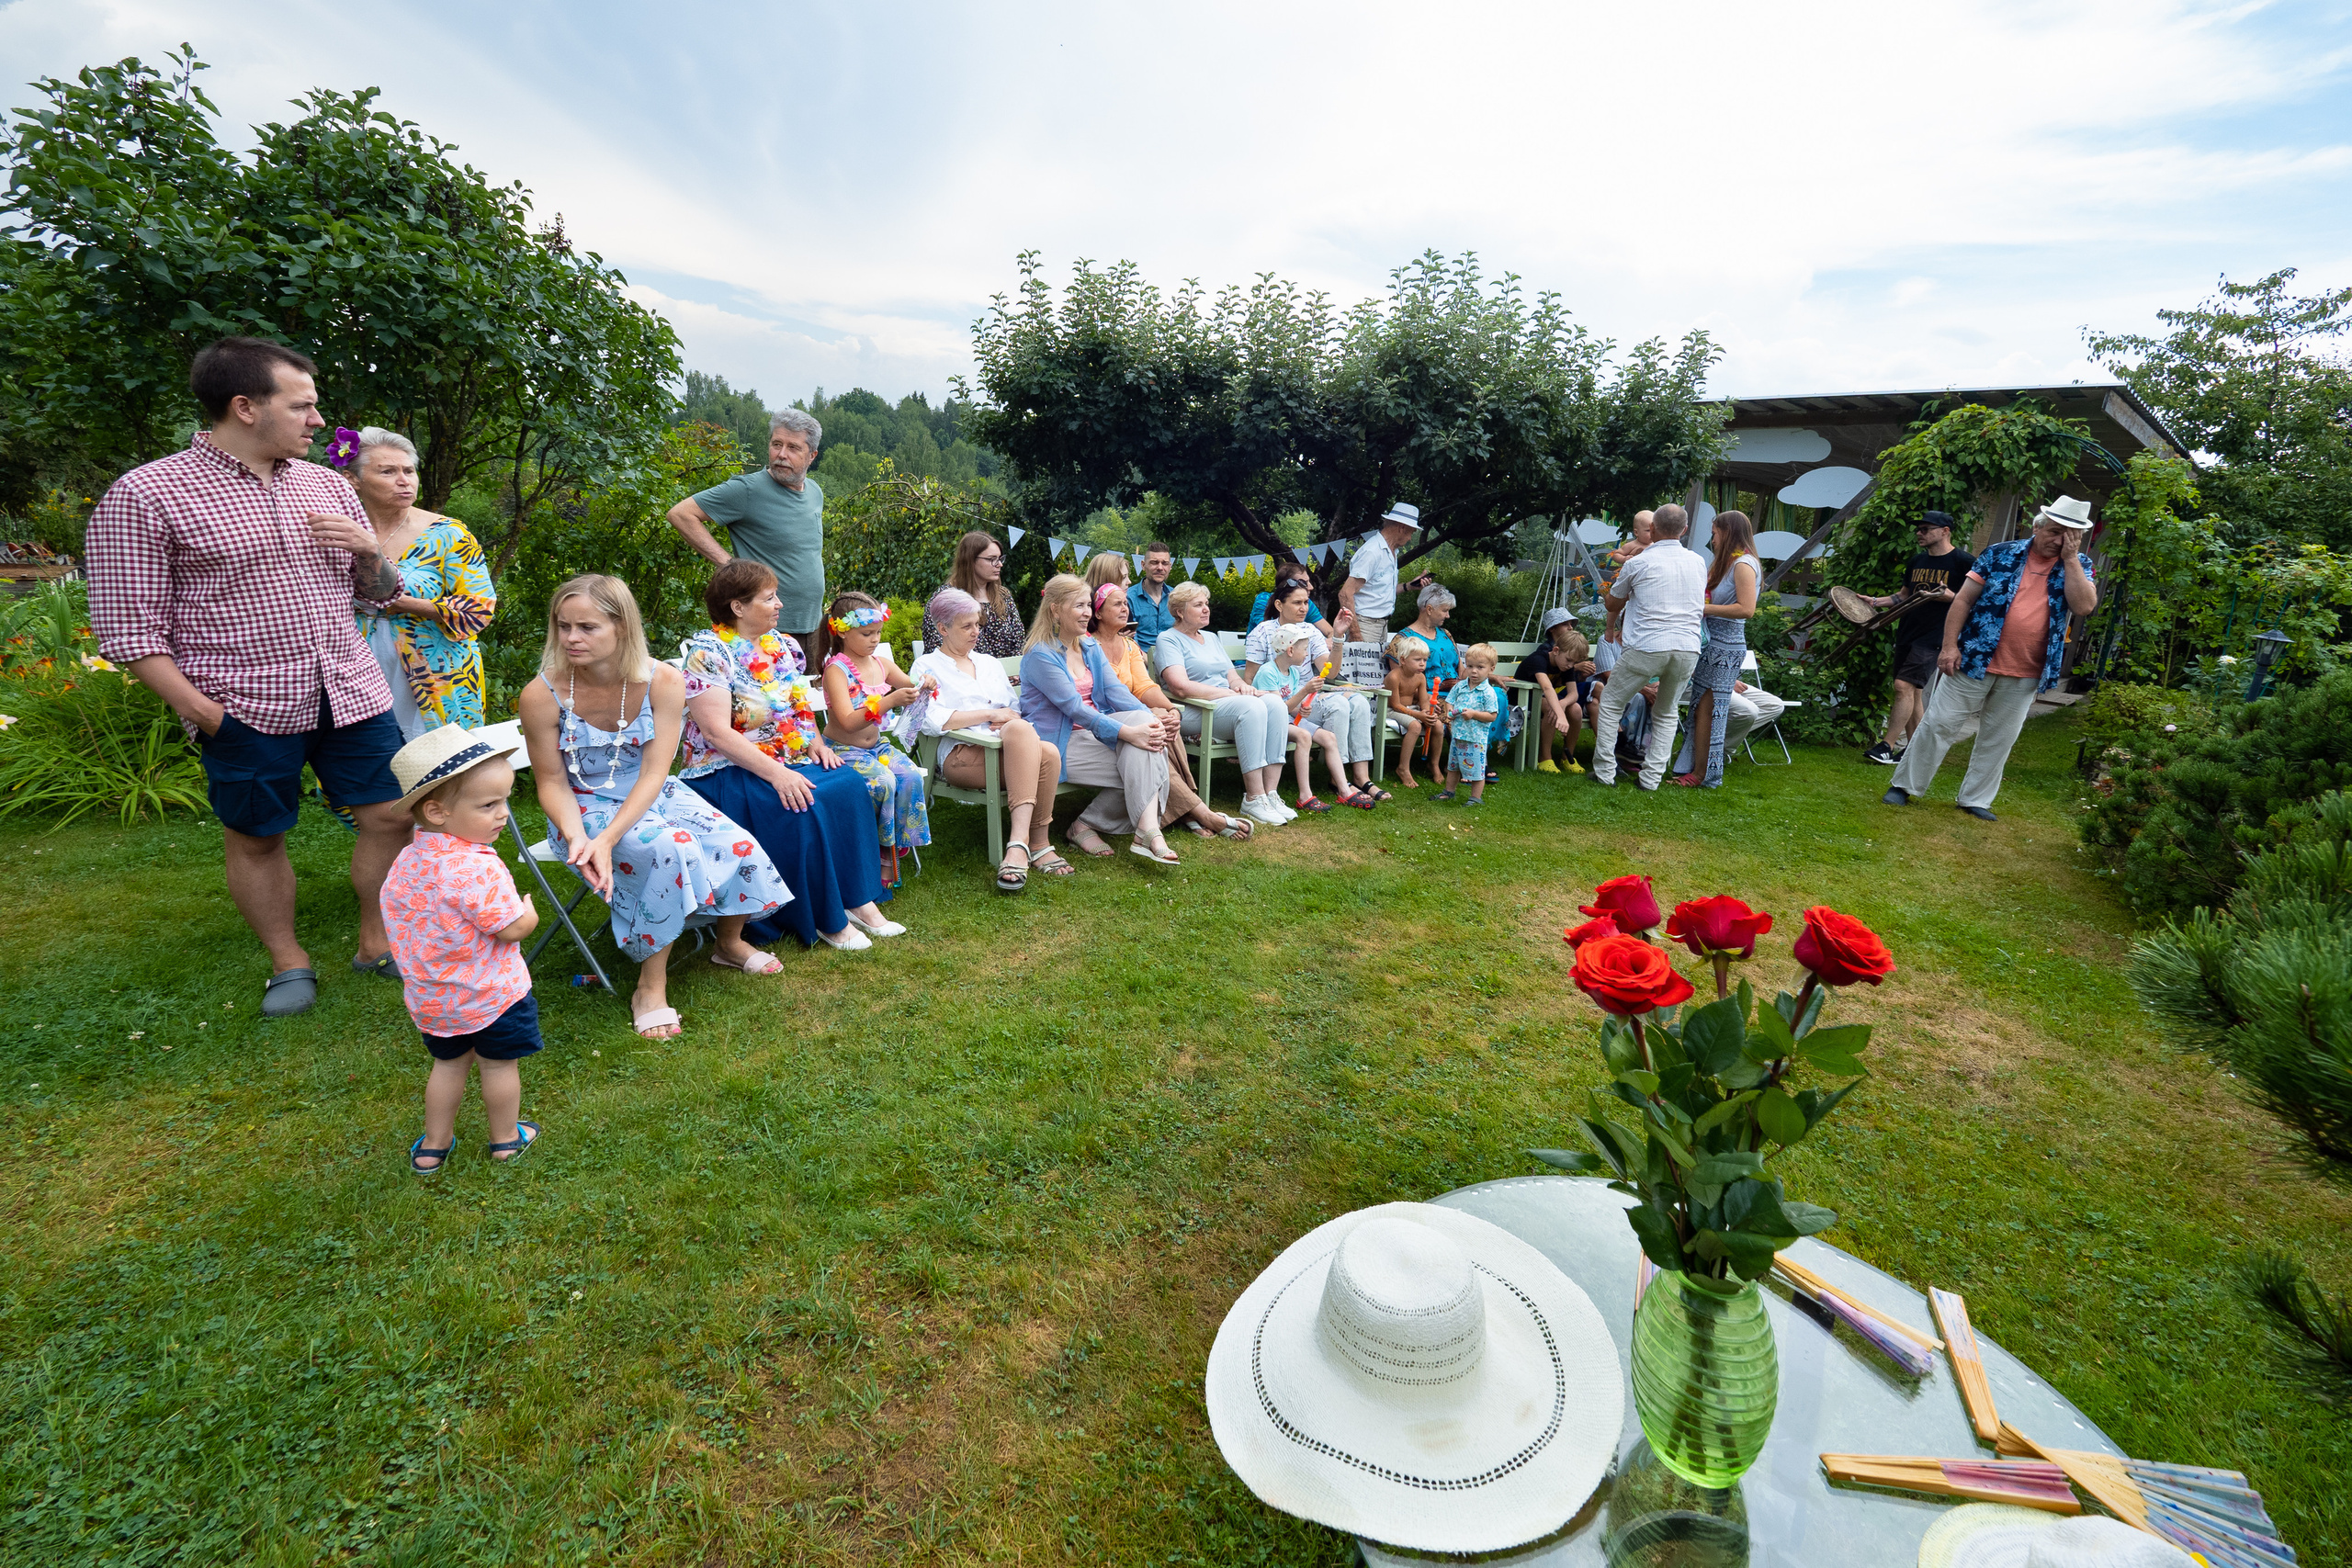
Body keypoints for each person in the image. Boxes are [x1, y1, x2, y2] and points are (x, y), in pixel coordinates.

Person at [88, 336, 412, 1018]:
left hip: (350, 689)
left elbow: (380, 594)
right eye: (302, 406)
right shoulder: (147, 495)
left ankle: (377, 942)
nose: (318, 421)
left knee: (392, 815)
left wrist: (369, 552)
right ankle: (289, 961)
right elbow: (129, 633)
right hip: (245, 705)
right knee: (259, 836)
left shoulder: (328, 485)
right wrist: (209, 715)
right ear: (244, 407)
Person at [517, 575, 795, 1040]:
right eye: (563, 626)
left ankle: (728, 943)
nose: (571, 638)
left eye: (587, 627)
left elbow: (654, 772)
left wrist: (611, 839)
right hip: (581, 805)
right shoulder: (541, 695)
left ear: (622, 627)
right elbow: (551, 781)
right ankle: (650, 986)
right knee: (670, 848)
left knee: (737, 842)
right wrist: (581, 837)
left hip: (653, 791)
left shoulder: (662, 680)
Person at [677, 559, 901, 950]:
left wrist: (814, 741)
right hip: (724, 768)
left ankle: (857, 899)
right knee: (803, 803)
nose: (779, 604)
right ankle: (825, 917)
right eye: (769, 598)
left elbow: (799, 706)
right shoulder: (708, 655)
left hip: (785, 755)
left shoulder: (782, 646)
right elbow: (716, 733)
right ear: (738, 607)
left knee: (849, 785)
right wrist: (777, 774)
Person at [379, 727, 542, 1174]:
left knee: (448, 1067)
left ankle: (433, 1146)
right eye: (489, 805)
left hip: (434, 998)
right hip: (492, 997)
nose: (503, 813)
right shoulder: (476, 865)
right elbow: (510, 929)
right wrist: (529, 914)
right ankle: (506, 1140)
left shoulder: (407, 860)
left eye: (505, 800)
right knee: (498, 1067)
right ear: (437, 810)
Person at [1884, 497, 2098, 821]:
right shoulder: (1999, 553)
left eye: (2070, 536)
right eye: (2055, 532)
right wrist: (1949, 647)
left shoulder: (2079, 565)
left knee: (1999, 738)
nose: (2059, 541)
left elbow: (2084, 607)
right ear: (2037, 527)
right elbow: (1962, 601)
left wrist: (2070, 559)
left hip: (2027, 670)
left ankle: (1975, 799)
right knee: (1939, 724)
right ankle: (1904, 786)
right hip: (1973, 659)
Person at [338, 427, 496, 740]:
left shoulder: (449, 534)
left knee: (439, 759)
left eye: (409, 471)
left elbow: (479, 610)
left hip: (436, 673)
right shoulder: (343, 532)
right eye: (388, 471)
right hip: (355, 668)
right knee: (363, 758)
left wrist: (398, 602)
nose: (404, 480)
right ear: (353, 479)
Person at [910, 587, 1071, 891]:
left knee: (1047, 751)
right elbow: (929, 719)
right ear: (943, 629)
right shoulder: (926, 667)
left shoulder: (988, 663)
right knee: (1037, 746)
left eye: (977, 624)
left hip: (1006, 747)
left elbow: (1013, 708)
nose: (976, 632)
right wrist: (987, 715)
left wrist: (1004, 719)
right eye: (966, 626)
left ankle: (1029, 843)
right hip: (963, 755)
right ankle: (1027, 843)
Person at [1019, 573, 1178, 864]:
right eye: (1079, 606)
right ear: (1055, 609)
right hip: (1058, 744)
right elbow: (1075, 709)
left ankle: (1124, 829)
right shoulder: (1040, 654)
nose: (1087, 613)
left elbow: (1118, 693)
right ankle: (1138, 830)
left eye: (1088, 605)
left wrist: (1151, 719)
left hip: (1095, 735)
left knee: (1147, 743)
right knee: (1147, 760)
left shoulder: (1089, 646)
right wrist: (1130, 733)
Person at [1091, 583, 1252, 840]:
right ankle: (1199, 812)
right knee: (1156, 728)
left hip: (1134, 712)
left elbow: (1144, 686)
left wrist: (1170, 708)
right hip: (1104, 718)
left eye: (1125, 604)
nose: (1125, 609)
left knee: (1166, 722)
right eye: (1117, 604)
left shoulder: (1130, 646)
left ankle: (1187, 811)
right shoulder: (1088, 646)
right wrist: (1153, 711)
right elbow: (1107, 695)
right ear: (1098, 612)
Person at [665, 408, 827, 643]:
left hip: (813, 626)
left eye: (793, 448)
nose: (781, 454)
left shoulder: (814, 492)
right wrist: (731, 567)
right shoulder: (747, 490)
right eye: (776, 444)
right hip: (767, 631)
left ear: (812, 455)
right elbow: (680, 514)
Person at [1153, 581, 1295, 828]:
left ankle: (1270, 794)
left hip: (1227, 704)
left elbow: (1232, 676)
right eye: (1198, 605)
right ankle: (1253, 798)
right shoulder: (1168, 639)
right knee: (1251, 707)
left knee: (1275, 703)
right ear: (1179, 611)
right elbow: (1179, 687)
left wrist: (1242, 687)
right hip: (1195, 710)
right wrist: (1229, 694)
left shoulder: (1211, 638)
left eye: (1206, 604)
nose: (1206, 609)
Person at [814, 591, 932, 888]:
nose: (875, 639)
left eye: (878, 632)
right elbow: (847, 721)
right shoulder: (836, 671)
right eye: (867, 633)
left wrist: (924, 684)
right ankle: (881, 851)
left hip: (876, 747)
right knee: (884, 782)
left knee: (909, 776)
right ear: (842, 632)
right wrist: (888, 701)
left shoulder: (882, 664)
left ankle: (897, 844)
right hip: (842, 750)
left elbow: (911, 686)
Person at [1591, 503, 1706, 791]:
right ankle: (1651, 780)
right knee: (1666, 713)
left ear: (1652, 529)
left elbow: (1613, 603)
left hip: (1647, 645)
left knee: (1611, 704)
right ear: (1685, 530)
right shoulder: (1697, 562)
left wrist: (1617, 593)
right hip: (1687, 647)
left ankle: (1605, 773)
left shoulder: (1638, 563)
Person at [1242, 579, 1385, 803]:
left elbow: (1330, 671)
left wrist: (1338, 637)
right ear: (1279, 605)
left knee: (1359, 701)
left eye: (1306, 602)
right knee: (1339, 704)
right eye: (1297, 603)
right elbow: (1250, 678)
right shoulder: (1263, 632)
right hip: (1280, 701)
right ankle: (1338, 778)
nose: (1304, 608)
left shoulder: (1310, 630)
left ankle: (1361, 776)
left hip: (1306, 698)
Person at [1862, 511, 1974, 766]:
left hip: (1937, 634)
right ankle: (1917, 751)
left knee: (1903, 686)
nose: (1919, 533)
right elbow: (1903, 596)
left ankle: (1887, 746)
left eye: (1925, 529)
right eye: (1918, 529)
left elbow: (1974, 602)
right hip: (1908, 631)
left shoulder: (1964, 562)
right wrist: (1875, 602)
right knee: (1913, 690)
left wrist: (1950, 597)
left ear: (1945, 531)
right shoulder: (1917, 560)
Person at [1675, 510, 1760, 789]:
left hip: (1726, 645)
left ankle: (1704, 775)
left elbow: (1746, 609)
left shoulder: (1744, 564)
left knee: (1712, 711)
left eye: (1714, 534)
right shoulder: (1727, 562)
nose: (1712, 540)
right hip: (1711, 643)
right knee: (1701, 708)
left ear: (1727, 532)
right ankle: (1693, 767)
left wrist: (1702, 609)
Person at [1254, 623, 1353, 812]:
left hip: (1287, 720)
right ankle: (1305, 796)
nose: (1307, 654)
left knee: (1329, 738)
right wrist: (1305, 691)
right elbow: (1277, 710)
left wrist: (1301, 710)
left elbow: (1290, 707)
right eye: (1305, 649)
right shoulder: (1268, 672)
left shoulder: (1292, 672)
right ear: (1291, 650)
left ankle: (1344, 790)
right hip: (1270, 723)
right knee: (1304, 736)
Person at [921, 531, 1024, 659]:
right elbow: (935, 645)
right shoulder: (946, 599)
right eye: (992, 559)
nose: (999, 564)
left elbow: (1018, 641)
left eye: (1000, 559)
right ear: (970, 560)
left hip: (1005, 670)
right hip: (958, 669)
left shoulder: (1003, 595)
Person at [1336, 502, 1421, 649]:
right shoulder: (1373, 551)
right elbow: (1345, 593)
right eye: (1412, 532)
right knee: (1362, 664)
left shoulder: (1391, 551)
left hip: (1380, 625)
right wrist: (1355, 632)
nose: (1410, 538)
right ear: (1402, 527)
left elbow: (1379, 592)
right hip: (1364, 625)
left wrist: (1409, 586)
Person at [1519, 609, 1593, 774]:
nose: (1570, 665)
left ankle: (1568, 758)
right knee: (1551, 707)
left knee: (1576, 709)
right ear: (1556, 650)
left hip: (1544, 698)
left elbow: (1573, 694)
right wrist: (1560, 714)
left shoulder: (1566, 664)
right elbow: (1546, 688)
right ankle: (1545, 758)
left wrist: (1563, 704)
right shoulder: (1539, 659)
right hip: (1522, 697)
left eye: (1574, 662)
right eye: (1569, 660)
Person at [1439, 644, 1504, 805]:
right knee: (1453, 767)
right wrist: (1450, 711)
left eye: (1480, 667)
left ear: (1491, 669)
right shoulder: (1460, 686)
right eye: (1470, 666)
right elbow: (1449, 700)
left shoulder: (1488, 692)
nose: (1474, 671)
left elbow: (1492, 716)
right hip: (1457, 736)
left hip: (1475, 739)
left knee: (1477, 771)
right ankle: (1449, 792)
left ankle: (1475, 798)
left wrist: (1474, 714)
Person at [1383, 634, 1444, 789]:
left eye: (1425, 660)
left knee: (1437, 725)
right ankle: (1403, 768)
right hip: (1391, 710)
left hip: (1411, 710)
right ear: (1403, 660)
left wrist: (1427, 713)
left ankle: (1434, 764)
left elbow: (1423, 701)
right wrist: (1418, 716)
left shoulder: (1420, 677)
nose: (1422, 664)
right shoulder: (1394, 677)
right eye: (1417, 660)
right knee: (1415, 726)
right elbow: (1395, 705)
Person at [1248, 559, 1332, 634]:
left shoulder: (1306, 604)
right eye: (1304, 583)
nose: (1311, 587)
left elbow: (1330, 632)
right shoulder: (1263, 600)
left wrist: (1329, 641)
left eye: (1308, 581)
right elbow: (1269, 636)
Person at [1127, 541, 1178, 652]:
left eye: (1165, 563)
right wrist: (1150, 661)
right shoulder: (1128, 598)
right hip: (1140, 658)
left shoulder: (1177, 596)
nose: (1160, 567)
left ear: (1170, 567)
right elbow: (1130, 640)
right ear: (1143, 565)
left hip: (1174, 656)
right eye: (1154, 563)